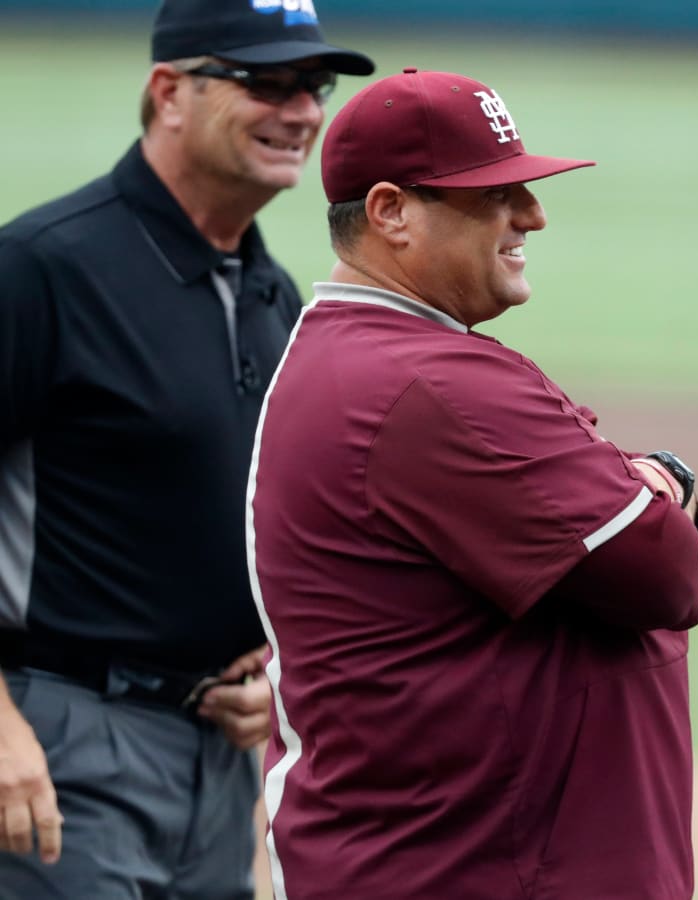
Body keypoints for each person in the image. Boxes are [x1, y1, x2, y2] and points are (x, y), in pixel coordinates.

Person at [246, 68, 698, 900]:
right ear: (390, 211)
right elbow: (666, 573)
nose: (532, 215)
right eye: (494, 194)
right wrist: (659, 486)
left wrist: (636, 489)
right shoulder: (431, 384)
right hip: (476, 870)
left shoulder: (344, 354)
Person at [0, 1, 373, 896]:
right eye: (266, 82)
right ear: (169, 92)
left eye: (313, 86)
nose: (303, 112)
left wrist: (273, 676)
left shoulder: (271, 294)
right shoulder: (44, 268)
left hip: (218, 758)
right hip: (58, 737)